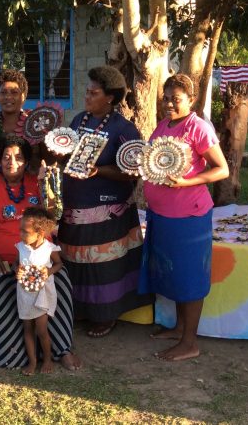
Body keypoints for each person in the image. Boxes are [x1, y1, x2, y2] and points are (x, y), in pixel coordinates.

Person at [138, 73, 229, 361]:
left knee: (189, 277)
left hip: (189, 217)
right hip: (162, 215)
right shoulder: (165, 125)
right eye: (165, 98)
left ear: (191, 100)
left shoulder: (198, 127)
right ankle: (179, 328)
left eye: (175, 99)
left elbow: (222, 170)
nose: (168, 104)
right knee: (176, 273)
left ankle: (190, 342)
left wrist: (186, 182)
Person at [57, 66, 153, 338]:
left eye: (93, 93)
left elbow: (133, 170)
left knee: (104, 266)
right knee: (75, 260)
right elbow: (70, 157)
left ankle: (105, 315)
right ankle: (79, 309)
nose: (87, 97)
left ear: (110, 97)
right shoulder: (78, 120)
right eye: (87, 91)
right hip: (75, 204)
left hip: (107, 208)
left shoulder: (123, 128)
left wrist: (99, 171)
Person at [0, 135, 81, 370]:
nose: (12, 162)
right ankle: (13, 351)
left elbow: (54, 216)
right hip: (1, 260)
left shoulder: (37, 183)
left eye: (19, 157)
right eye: (6, 157)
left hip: (40, 260)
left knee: (60, 282)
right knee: (0, 284)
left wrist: (49, 185)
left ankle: (61, 349)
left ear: (27, 161)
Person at [16, 207, 63, 375]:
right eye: (20, 230)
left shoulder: (49, 248)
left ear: (40, 233)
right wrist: (18, 271)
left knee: (41, 330)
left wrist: (47, 271)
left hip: (42, 294)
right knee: (27, 328)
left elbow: (58, 264)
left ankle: (48, 359)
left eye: (25, 232)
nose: (21, 235)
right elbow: (18, 264)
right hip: (25, 294)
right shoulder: (21, 247)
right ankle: (32, 361)